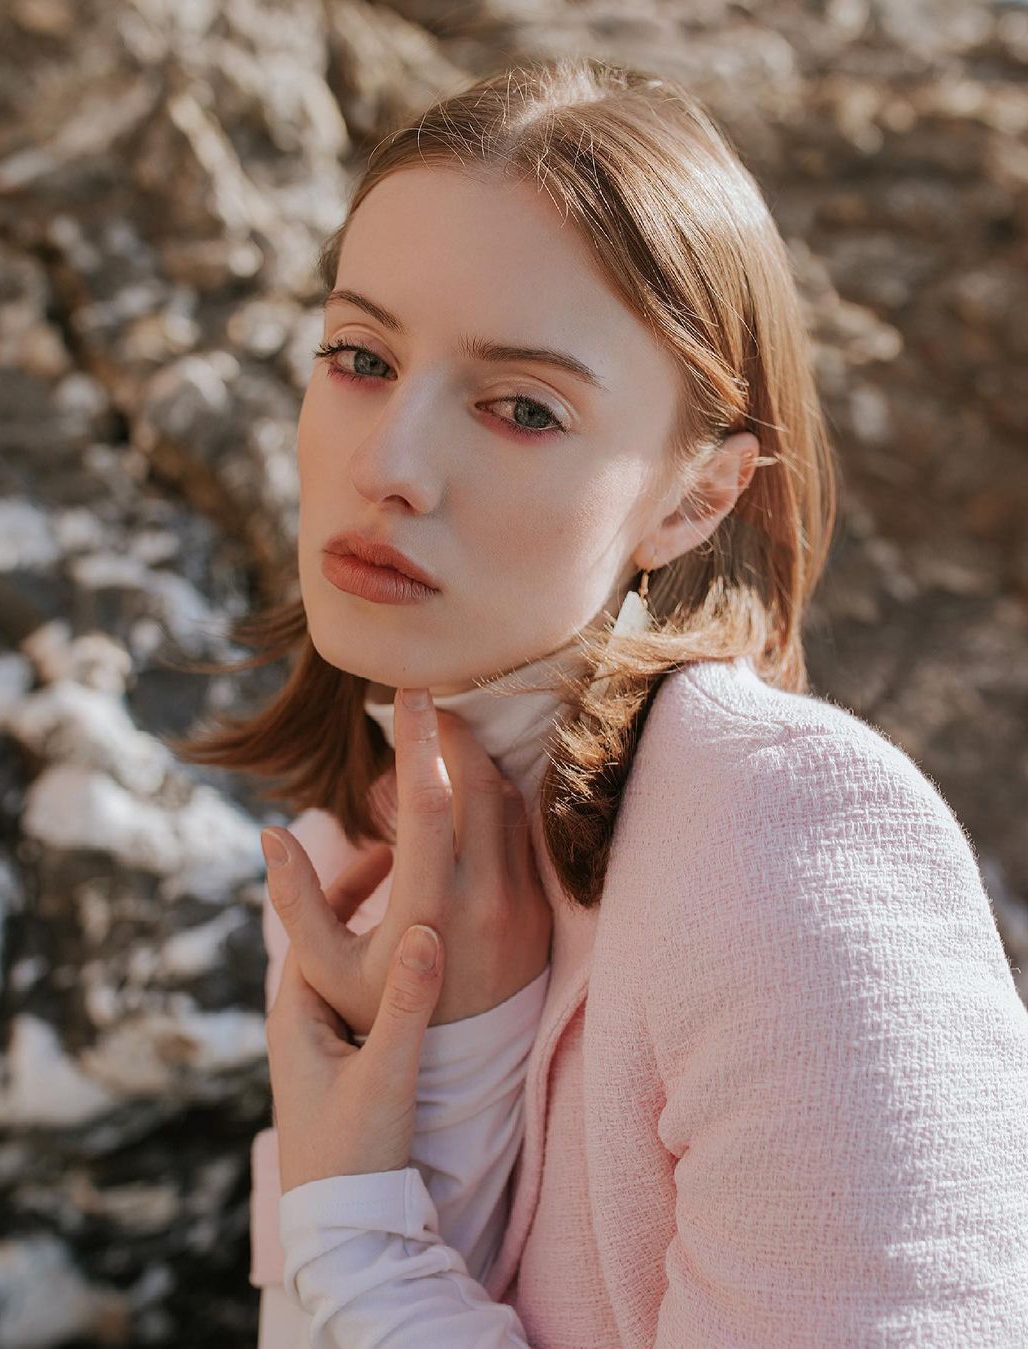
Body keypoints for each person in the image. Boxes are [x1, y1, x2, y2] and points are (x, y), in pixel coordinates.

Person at [167, 55, 1028, 1346]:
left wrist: (352, 1232)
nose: (391, 463)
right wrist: (453, 1072)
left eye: (523, 408)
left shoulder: (787, 842)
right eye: (359, 356)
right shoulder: (356, 854)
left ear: (696, 497)